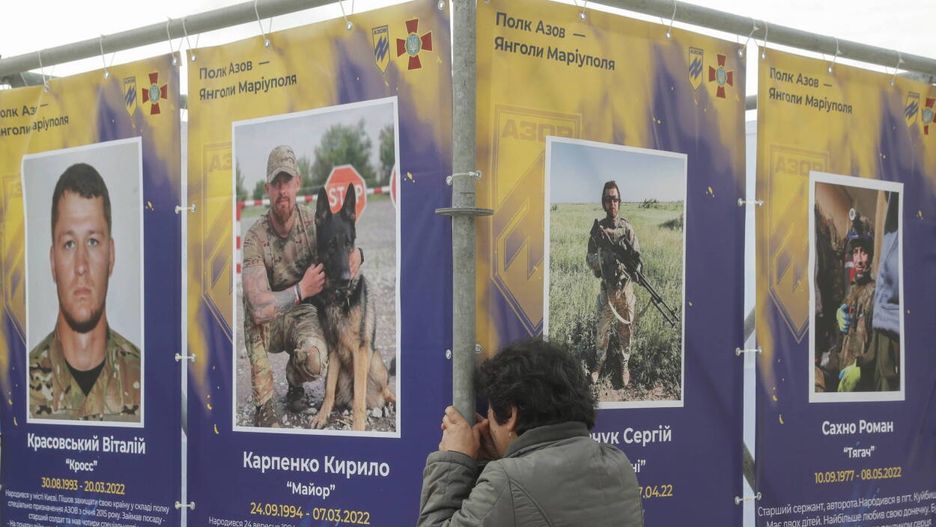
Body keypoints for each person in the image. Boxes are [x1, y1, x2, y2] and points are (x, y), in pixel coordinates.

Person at [418, 339, 644, 526]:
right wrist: (503, 458)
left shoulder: (506, 482)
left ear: (510, 414)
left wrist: (454, 460)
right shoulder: (618, 463)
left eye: (490, 413)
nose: (487, 424)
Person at [241, 145, 361, 427]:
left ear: (297, 183)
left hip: (302, 316)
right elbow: (257, 307)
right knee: (252, 312)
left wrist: (358, 254)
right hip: (269, 322)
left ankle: (295, 381)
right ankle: (264, 404)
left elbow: (342, 243)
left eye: (287, 182)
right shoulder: (255, 237)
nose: (282, 190)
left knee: (316, 360)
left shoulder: (313, 222)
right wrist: (300, 290)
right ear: (267, 189)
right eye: (276, 184)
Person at [29, 163, 141, 422]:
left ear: (111, 256)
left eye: (92, 241)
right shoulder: (18, 387)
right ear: (53, 262)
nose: (81, 266)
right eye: (69, 244)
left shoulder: (146, 382)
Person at [586, 180, 642, 387]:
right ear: (604, 202)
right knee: (602, 330)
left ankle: (624, 365)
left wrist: (634, 268)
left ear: (620, 202)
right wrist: (604, 260)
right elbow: (589, 258)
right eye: (608, 199)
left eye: (615, 199)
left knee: (626, 330)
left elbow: (638, 260)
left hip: (625, 290)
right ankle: (598, 364)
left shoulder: (627, 229)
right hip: (607, 291)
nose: (612, 203)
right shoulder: (598, 231)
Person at [835, 209, 876, 392]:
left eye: (864, 252)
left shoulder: (876, 295)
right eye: (856, 252)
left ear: (871, 255)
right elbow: (842, 337)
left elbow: (878, 349)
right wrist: (838, 320)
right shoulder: (851, 291)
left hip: (863, 385)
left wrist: (861, 369)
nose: (858, 260)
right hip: (843, 378)